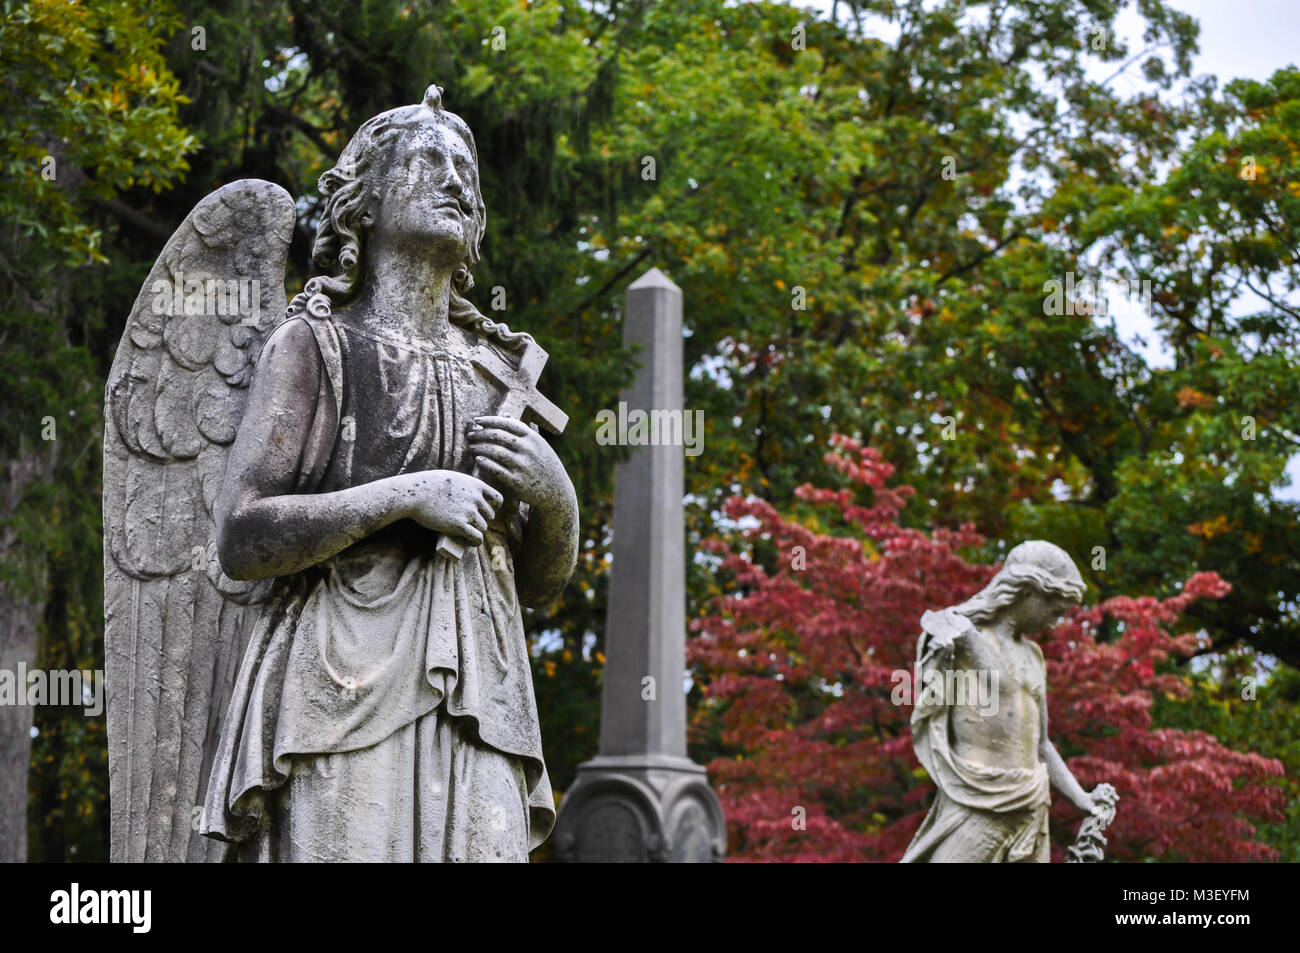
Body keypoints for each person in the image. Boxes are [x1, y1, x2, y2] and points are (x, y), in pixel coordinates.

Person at [199, 85, 578, 862]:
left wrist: (556, 495)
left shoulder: (499, 376)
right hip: (339, 684)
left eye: (466, 168)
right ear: (362, 205)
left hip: (484, 690)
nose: (455, 180)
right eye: (428, 159)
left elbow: (540, 584)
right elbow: (241, 535)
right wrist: (408, 496)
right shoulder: (315, 347)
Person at [901, 540, 1110, 862]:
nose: (1054, 623)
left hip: (1031, 803)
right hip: (979, 798)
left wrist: (1080, 798)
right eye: (1053, 610)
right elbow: (935, 628)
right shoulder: (963, 635)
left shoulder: (1034, 655)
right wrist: (942, 645)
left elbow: (1040, 744)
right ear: (1026, 591)